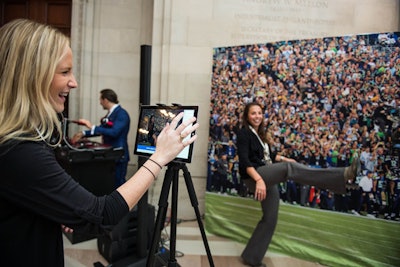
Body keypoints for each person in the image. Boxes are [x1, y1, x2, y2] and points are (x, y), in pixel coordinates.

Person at [0, 19, 199, 267]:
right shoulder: (18, 151)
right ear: (30, 77)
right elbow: (101, 215)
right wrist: (159, 157)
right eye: (64, 72)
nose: (73, 82)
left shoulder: (121, 114)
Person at [237, 102, 358, 267]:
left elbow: (270, 155)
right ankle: (343, 175)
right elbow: (244, 162)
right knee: (290, 169)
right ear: (247, 116)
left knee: (270, 218)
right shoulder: (244, 133)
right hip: (255, 176)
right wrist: (258, 180)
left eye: (259, 113)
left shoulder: (260, 135)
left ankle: (251, 257)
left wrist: (286, 159)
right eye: (253, 113)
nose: (257, 116)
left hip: (267, 174)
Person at [72, 88, 131, 188]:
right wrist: (83, 133)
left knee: (118, 185)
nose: (100, 102)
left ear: (106, 100)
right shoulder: (111, 113)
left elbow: (114, 132)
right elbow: (102, 129)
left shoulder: (122, 114)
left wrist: (91, 126)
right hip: (111, 155)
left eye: (100, 99)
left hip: (118, 155)